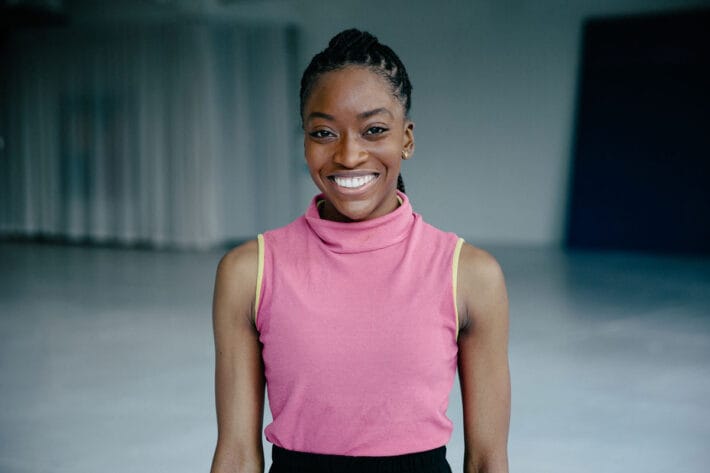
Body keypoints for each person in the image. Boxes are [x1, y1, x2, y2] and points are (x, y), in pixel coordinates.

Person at [210, 29, 510, 473]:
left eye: (374, 130)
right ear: (306, 142)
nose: (349, 155)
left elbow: (487, 460)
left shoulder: (469, 275)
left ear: (406, 139)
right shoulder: (248, 272)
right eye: (324, 132)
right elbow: (236, 454)